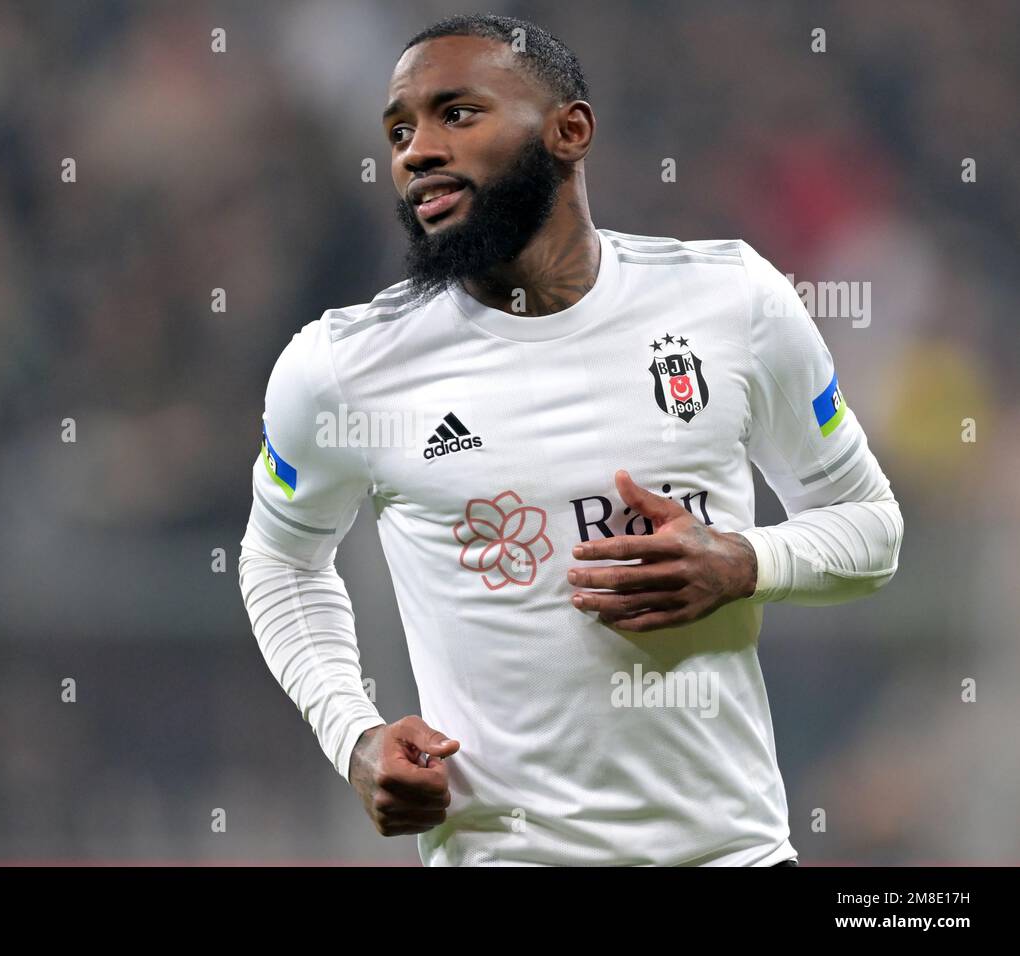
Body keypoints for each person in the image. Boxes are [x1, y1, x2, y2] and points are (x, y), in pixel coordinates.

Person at [237, 14, 902, 866]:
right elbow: (280, 560)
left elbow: (871, 528)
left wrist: (746, 563)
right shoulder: (343, 368)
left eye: (458, 114)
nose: (417, 152)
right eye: (400, 131)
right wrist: (354, 734)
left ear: (569, 130)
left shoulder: (732, 302)